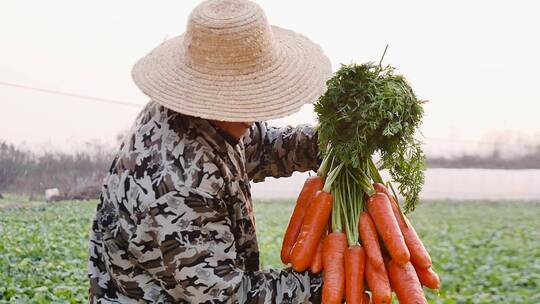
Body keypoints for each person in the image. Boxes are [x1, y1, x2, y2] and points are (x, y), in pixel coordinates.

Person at [88, 0, 331, 302]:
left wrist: (326, 143)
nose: (255, 113)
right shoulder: (176, 186)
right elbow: (229, 297)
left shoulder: (206, 116)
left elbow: (261, 147)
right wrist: (331, 281)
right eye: (250, 95)